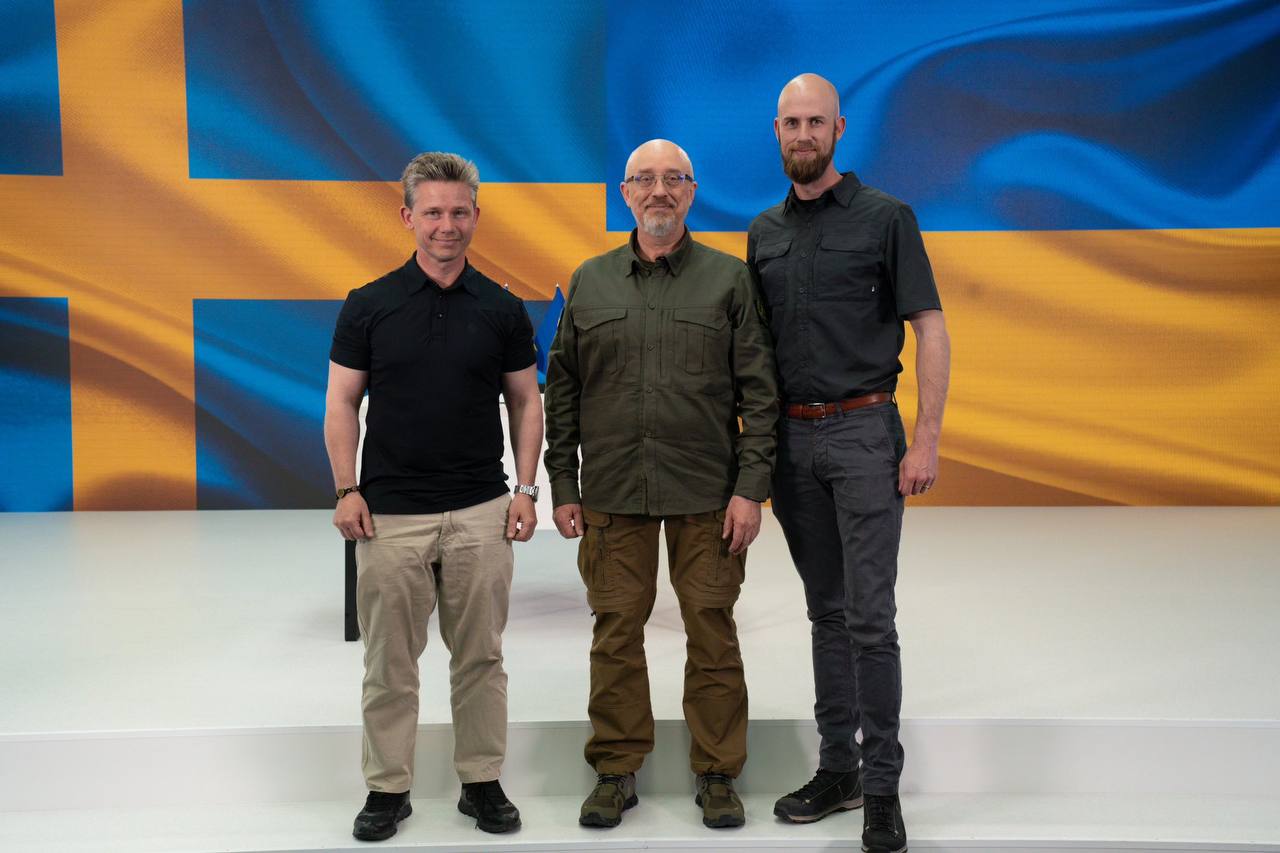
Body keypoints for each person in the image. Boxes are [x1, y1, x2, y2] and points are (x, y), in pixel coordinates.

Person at [543, 139, 779, 830]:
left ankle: (716, 772)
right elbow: (563, 388)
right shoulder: (589, 281)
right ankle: (615, 769)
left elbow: (760, 393)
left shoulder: (729, 281)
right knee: (617, 630)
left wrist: (751, 486)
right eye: (645, 180)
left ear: (692, 191)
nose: (659, 192)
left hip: (709, 491)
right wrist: (562, 480)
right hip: (613, 491)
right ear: (625, 193)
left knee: (711, 628)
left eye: (673, 179)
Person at [747, 74, 951, 853]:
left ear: (840, 128)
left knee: (870, 616)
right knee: (824, 612)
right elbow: (757, 357)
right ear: (777, 130)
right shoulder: (762, 233)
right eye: (791, 122)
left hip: (867, 434)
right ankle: (836, 767)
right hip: (794, 443)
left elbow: (929, 328)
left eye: (816, 122)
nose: (804, 134)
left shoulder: (886, 218)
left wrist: (926, 436)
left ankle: (881, 787)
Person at [324, 151, 543, 841]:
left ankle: (481, 781)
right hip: (389, 514)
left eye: (458, 212)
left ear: (476, 216)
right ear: (407, 216)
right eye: (433, 212)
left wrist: (526, 489)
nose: (446, 225)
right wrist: (345, 487)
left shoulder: (504, 309)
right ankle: (388, 789)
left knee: (481, 655)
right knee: (390, 661)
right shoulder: (367, 306)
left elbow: (526, 403)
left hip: (481, 507)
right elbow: (340, 402)